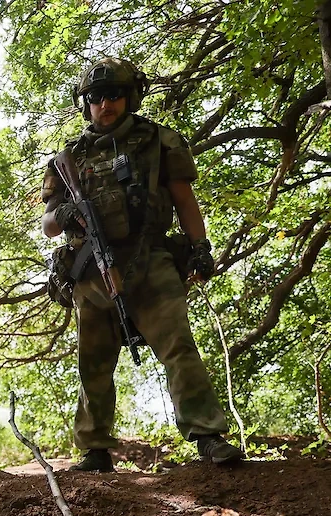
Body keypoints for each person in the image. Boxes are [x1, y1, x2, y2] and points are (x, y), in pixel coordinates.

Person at [41, 57, 243, 472]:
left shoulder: (159, 141)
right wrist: (62, 215)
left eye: (115, 95)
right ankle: (94, 448)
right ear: (86, 104)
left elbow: (184, 198)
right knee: (92, 360)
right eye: (95, 97)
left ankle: (207, 435)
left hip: (150, 260)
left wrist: (200, 246)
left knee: (178, 347)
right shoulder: (69, 157)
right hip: (92, 270)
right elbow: (47, 222)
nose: (105, 104)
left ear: (130, 98)